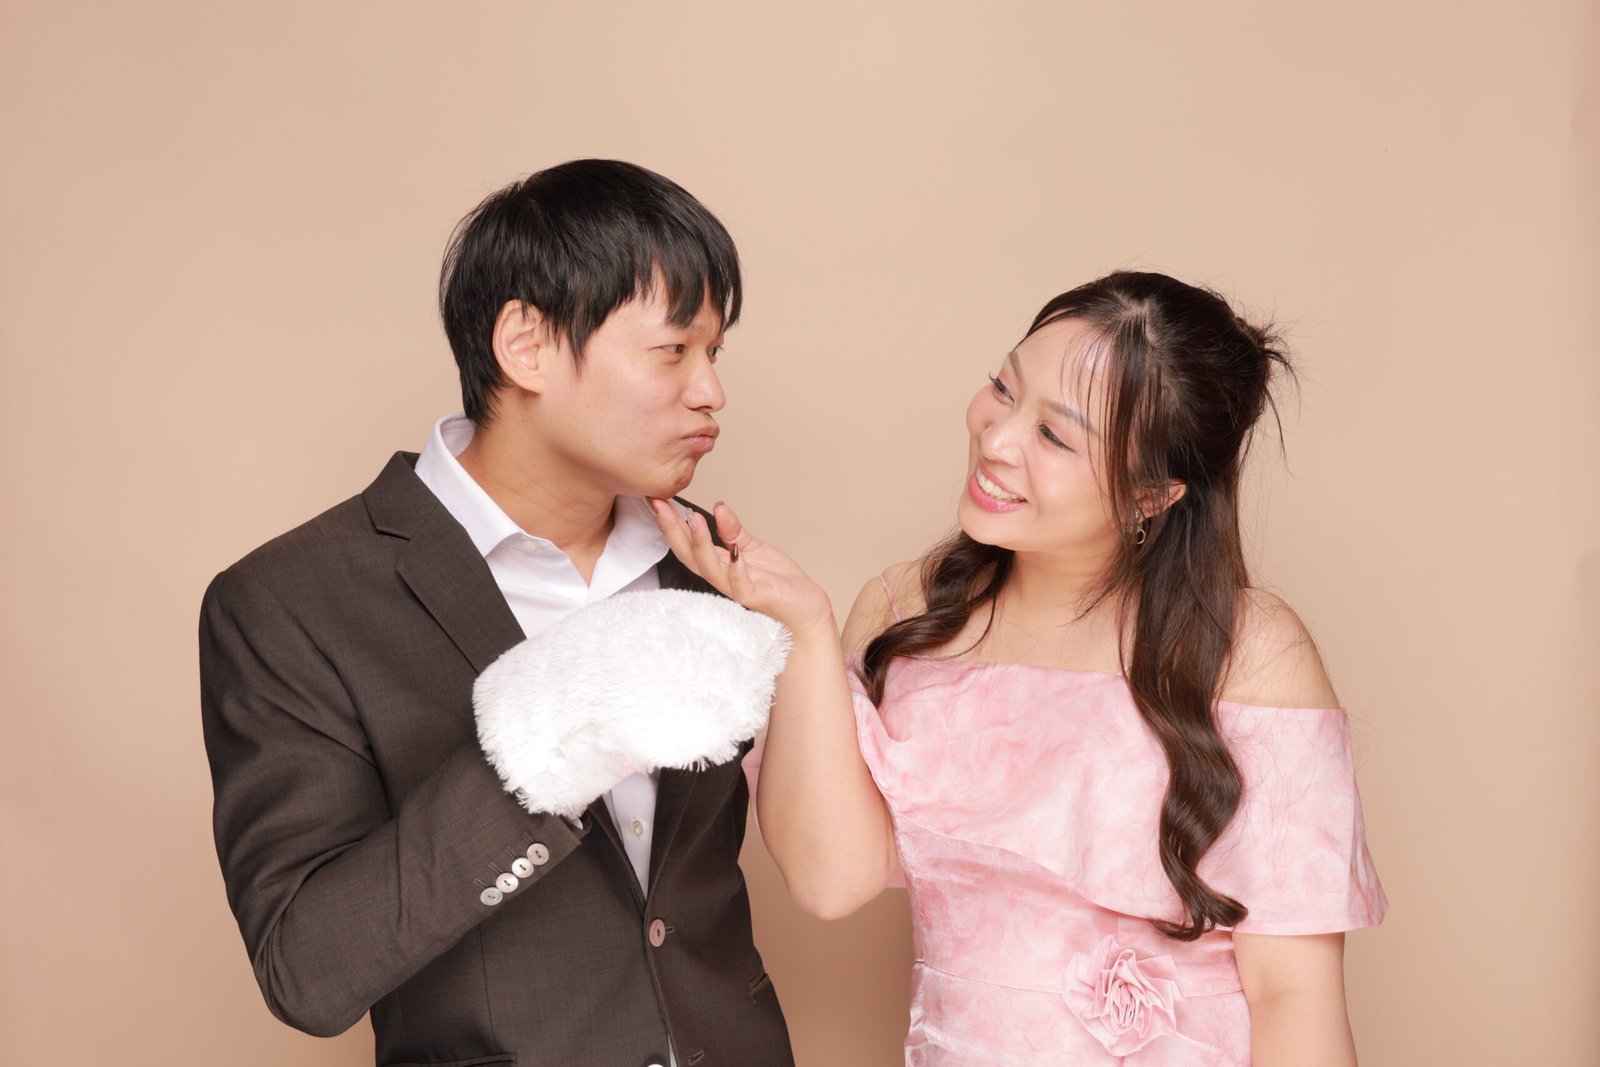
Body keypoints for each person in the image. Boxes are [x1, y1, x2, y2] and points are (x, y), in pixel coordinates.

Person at [649, 270, 1388, 1066]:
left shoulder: (1252, 651)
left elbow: (1293, 995)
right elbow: (830, 880)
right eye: (1003, 388)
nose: (996, 440)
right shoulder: (905, 609)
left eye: (1055, 437)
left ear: (1151, 493)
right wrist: (804, 628)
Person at [199, 159, 795, 1067]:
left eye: (716, 354)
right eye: (675, 349)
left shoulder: (710, 562)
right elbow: (307, 969)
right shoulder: (292, 601)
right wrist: (551, 734)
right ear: (526, 345)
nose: (711, 391)